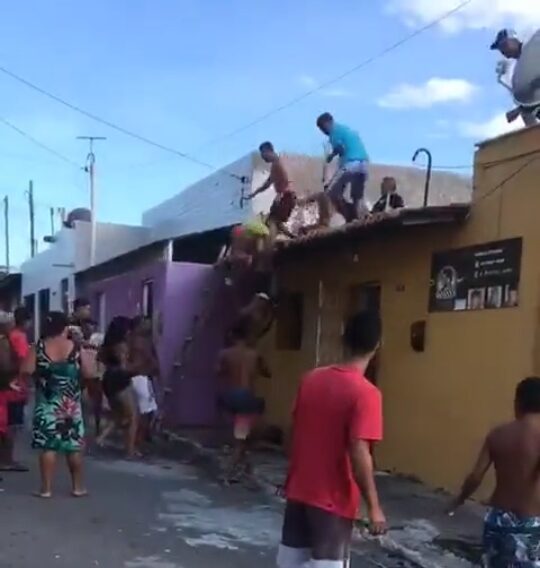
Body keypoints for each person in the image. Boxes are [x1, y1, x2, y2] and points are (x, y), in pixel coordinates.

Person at [277, 310, 386, 568]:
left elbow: (293, 433)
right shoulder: (366, 394)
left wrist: (290, 477)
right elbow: (360, 453)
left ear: (343, 340)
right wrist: (374, 507)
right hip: (332, 502)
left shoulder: (310, 379)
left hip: (299, 493)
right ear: (377, 345)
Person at [448, 377, 540, 567]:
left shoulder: (498, 434)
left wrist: (458, 501)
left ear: (518, 402)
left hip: (497, 519)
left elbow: (475, 477)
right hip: (531, 523)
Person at [23, 311, 93, 498]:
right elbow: (89, 373)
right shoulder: (76, 347)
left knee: (48, 446)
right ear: (65, 327)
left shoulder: (38, 347)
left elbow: (27, 369)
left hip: (46, 402)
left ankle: (46, 489)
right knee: (73, 445)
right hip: (70, 404)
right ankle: (78, 487)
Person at [216, 321, 270, 484]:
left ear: (232, 337)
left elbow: (217, 372)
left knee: (243, 437)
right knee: (242, 439)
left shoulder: (225, 353)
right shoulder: (254, 355)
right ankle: (228, 473)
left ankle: (247, 470)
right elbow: (268, 372)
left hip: (230, 397)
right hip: (246, 399)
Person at [97, 316, 139, 458]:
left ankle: (102, 438)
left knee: (120, 415)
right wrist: (138, 368)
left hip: (108, 379)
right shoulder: (121, 345)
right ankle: (130, 450)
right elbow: (124, 367)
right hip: (120, 380)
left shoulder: (107, 345)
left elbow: (101, 360)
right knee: (132, 416)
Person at [317, 112, 370, 223]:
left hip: (350, 165)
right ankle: (362, 219)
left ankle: (348, 217)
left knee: (330, 193)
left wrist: (331, 156)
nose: (323, 132)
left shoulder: (334, 132)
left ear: (327, 123)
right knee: (357, 197)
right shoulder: (345, 129)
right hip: (364, 165)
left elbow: (340, 148)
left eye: (322, 129)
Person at [0, 307, 32, 472]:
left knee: (8, 423)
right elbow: (20, 361)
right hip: (13, 386)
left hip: (9, 385)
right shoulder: (14, 338)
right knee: (12, 424)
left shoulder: (8, 338)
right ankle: (7, 459)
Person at [491, 28, 540, 127]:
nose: (503, 51)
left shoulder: (533, 49)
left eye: (504, 45)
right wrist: (519, 110)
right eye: (500, 49)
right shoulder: (520, 71)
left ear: (514, 40)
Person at [248, 142, 296, 240]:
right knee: (274, 221)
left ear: (267, 151)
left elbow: (285, 180)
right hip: (287, 196)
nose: (262, 157)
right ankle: (293, 237)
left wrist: (280, 195)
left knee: (272, 221)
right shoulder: (276, 163)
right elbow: (268, 183)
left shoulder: (277, 163)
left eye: (262, 154)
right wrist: (255, 193)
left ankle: (269, 247)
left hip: (286, 196)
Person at [130, 316, 160, 447]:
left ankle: (139, 440)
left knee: (147, 412)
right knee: (144, 412)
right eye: (145, 324)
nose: (148, 326)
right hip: (139, 377)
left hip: (144, 377)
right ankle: (137, 442)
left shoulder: (145, 341)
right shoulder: (137, 341)